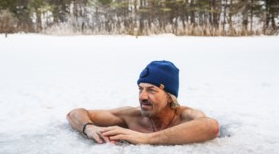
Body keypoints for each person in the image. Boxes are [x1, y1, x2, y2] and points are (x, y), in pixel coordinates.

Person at [67, 60, 219, 145]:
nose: (143, 97)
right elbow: (75, 113)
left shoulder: (185, 116)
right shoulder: (132, 116)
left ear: (169, 96)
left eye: (151, 90)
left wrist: (146, 138)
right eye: (141, 89)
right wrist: (89, 128)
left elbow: (211, 126)